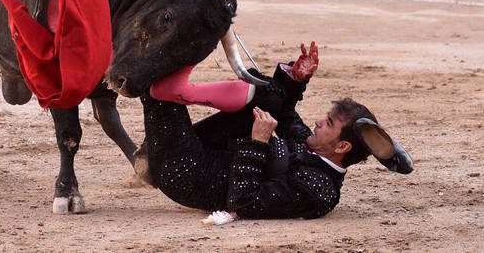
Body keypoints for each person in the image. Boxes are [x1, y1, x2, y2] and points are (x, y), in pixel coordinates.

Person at [140, 42, 412, 219]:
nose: (318, 121)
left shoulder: (318, 189)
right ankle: (183, 94)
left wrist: (258, 142)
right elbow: (285, 112)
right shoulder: (310, 145)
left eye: (328, 123)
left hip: (187, 173)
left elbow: (243, 202)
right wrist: (295, 80)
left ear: (342, 147)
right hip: (206, 150)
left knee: (154, 75)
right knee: (270, 94)